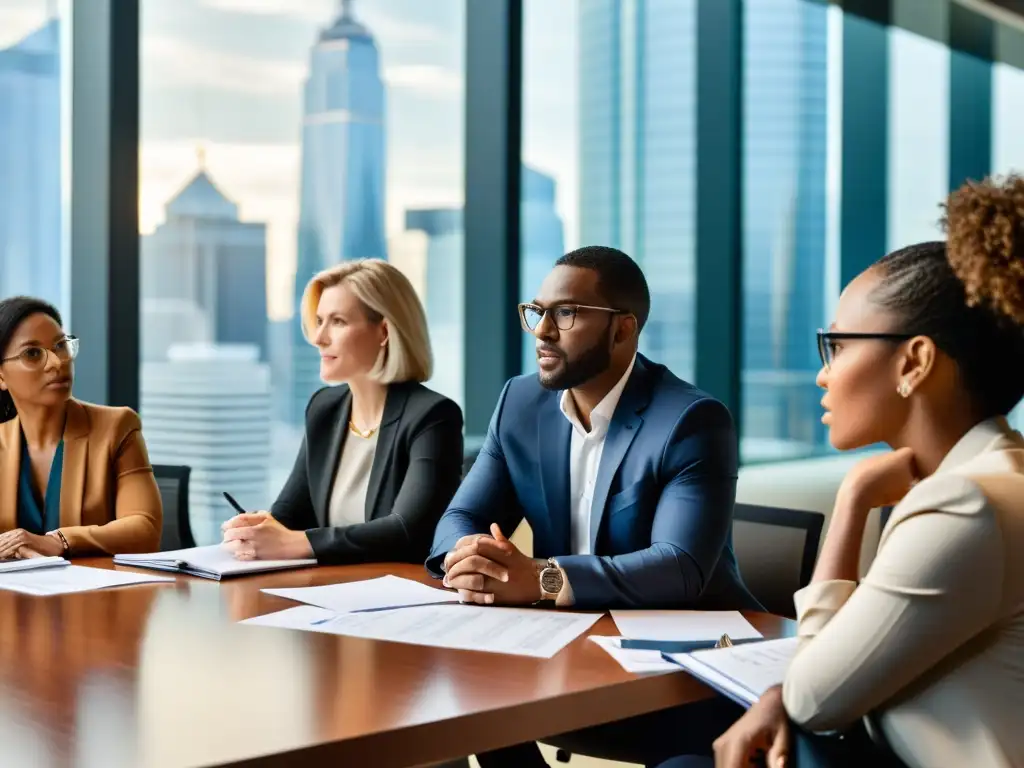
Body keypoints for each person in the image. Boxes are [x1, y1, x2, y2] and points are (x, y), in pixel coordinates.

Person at [665, 175, 1024, 768]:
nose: (822, 375)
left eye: (837, 345)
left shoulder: (966, 507)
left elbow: (814, 696)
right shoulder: (993, 478)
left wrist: (854, 497)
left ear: (914, 361)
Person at [427, 246, 759, 767]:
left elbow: (680, 565)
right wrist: (468, 559)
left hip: (682, 677)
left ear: (622, 329)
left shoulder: (691, 420)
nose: (542, 332)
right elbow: (459, 518)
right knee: (449, 705)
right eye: (537, 312)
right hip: (567, 651)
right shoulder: (521, 402)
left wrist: (543, 578)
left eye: (566, 313)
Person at [222, 259, 463, 565]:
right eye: (319, 320)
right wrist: (257, 529)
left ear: (384, 332)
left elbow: (408, 531)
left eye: (337, 321)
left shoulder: (433, 416)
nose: (318, 337)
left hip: (398, 596)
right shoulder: (325, 409)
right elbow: (289, 517)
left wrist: (297, 542)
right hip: (330, 592)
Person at [0, 297, 162, 558]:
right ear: (1, 376)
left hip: (96, 595)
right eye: (32, 353)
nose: (57, 363)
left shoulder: (117, 427)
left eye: (61, 346)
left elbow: (145, 529)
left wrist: (59, 541)